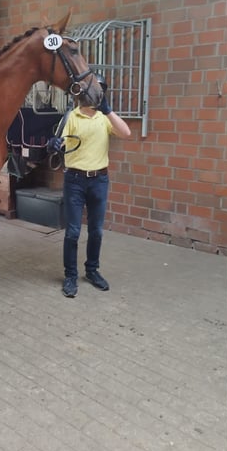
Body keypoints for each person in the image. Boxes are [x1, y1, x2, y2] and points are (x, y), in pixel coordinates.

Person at [47, 75, 131, 298]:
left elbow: (126, 133)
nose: (93, 94)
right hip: (74, 180)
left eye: (98, 91)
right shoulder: (71, 117)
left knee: (96, 231)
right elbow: (60, 142)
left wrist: (108, 111)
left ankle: (92, 271)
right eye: (90, 90)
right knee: (73, 232)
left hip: (99, 181)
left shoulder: (104, 119)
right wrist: (53, 144)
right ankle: (70, 276)